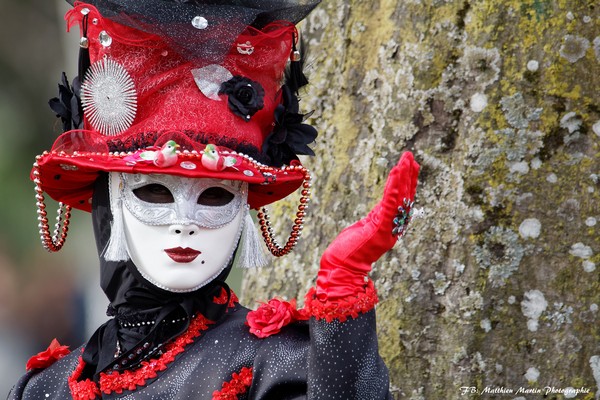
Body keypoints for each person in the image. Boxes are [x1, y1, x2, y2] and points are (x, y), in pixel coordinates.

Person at [9, 1, 420, 398]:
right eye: (154, 191)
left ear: (243, 205)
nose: (184, 222)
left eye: (215, 196)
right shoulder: (45, 388)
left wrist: (341, 284)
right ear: (107, 203)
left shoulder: (273, 364)